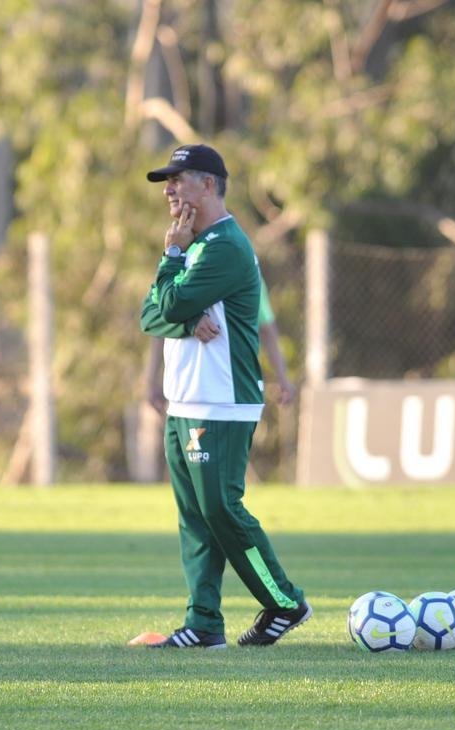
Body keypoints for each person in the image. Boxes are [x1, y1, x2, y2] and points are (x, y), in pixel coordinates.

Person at [138, 144, 310, 648]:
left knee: (222, 510)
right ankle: (205, 623)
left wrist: (172, 270)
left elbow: (166, 300)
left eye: (178, 179)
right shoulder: (189, 243)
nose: (169, 189)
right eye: (166, 181)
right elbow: (151, 317)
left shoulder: (222, 247)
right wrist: (187, 318)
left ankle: (283, 600)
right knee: (196, 518)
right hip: (185, 401)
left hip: (221, 401)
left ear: (209, 184)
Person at [145, 283, 296, 415]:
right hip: (191, 393)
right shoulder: (181, 267)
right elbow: (160, 320)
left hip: (226, 394)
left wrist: (283, 378)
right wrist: (151, 380)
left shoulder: (246, 270)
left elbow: (266, 329)